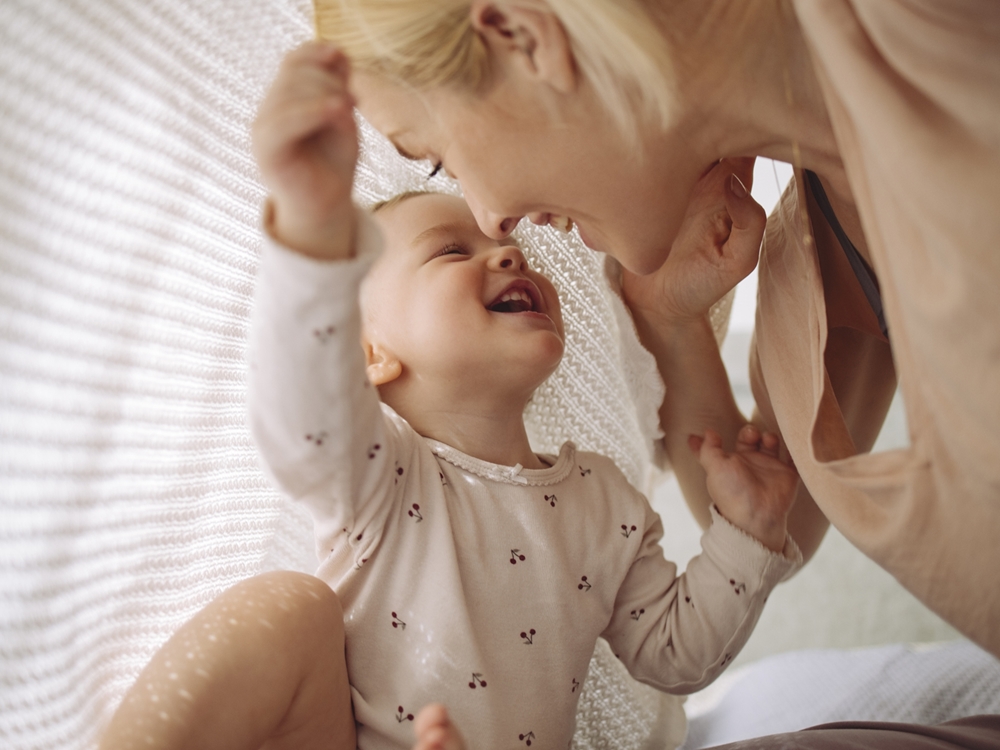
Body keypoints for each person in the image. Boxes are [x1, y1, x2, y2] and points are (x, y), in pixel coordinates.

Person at [98, 45, 803, 750]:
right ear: (370, 354)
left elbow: (674, 654)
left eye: (514, 257)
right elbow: (301, 416)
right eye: (449, 252)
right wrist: (313, 231)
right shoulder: (381, 473)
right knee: (285, 609)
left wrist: (747, 535)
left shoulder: (603, 500)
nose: (506, 254)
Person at [312, 0, 1000, 662]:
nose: (493, 220)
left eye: (439, 157)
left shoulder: (934, 30)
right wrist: (669, 320)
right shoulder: (817, 250)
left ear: (523, 38)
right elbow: (781, 516)